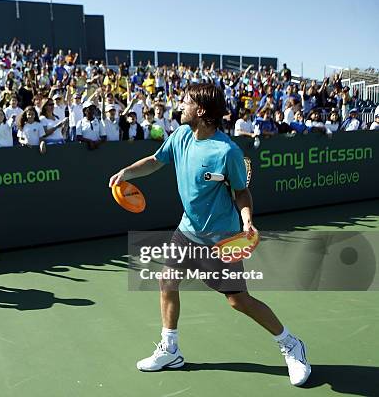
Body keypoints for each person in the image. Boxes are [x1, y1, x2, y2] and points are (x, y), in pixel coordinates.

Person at [108, 83, 311, 386]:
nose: (180, 105)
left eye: (186, 101)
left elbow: (241, 192)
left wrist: (247, 221)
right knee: (167, 280)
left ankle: (291, 344)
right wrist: (126, 172)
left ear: (200, 111)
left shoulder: (226, 150)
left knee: (238, 301)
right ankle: (170, 348)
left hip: (220, 238)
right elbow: (154, 161)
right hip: (187, 231)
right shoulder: (179, 136)